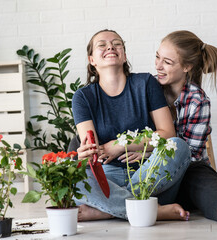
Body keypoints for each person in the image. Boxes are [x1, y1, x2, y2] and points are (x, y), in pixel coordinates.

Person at [122, 30, 217, 226]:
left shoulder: (198, 101)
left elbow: (192, 152)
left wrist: (148, 154)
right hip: (149, 168)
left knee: (201, 182)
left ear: (187, 66)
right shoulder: (149, 89)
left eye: (167, 62)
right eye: (157, 57)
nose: (158, 66)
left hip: (188, 166)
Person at [71, 29, 191, 222]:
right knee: (74, 176)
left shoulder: (146, 83)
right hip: (107, 179)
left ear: (124, 55)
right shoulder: (83, 97)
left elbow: (168, 134)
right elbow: (94, 151)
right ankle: (152, 210)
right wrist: (85, 153)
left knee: (179, 147)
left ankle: (109, 210)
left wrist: (120, 144)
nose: (110, 46)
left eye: (117, 43)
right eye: (102, 45)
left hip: (151, 176)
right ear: (92, 60)